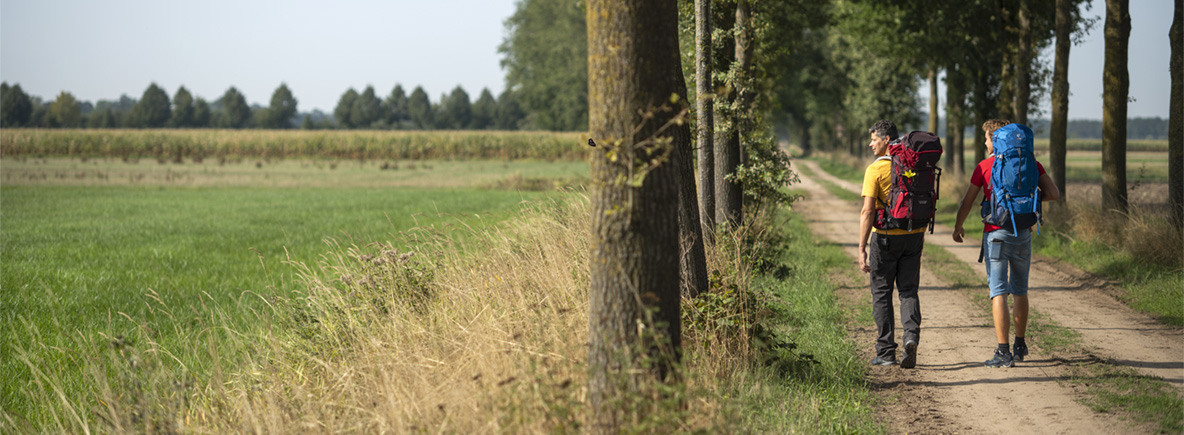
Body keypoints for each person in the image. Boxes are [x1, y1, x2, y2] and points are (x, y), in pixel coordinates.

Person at [952, 119, 1060, 368]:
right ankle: (1020, 345)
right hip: (1023, 233)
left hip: (996, 235)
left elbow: (967, 201)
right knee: (1020, 289)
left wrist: (958, 226)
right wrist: (1028, 198)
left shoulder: (985, 166)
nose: (985, 142)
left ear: (996, 139)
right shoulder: (1032, 163)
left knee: (998, 290)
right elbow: (1053, 194)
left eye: (987, 138)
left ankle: (1003, 352)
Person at [859, 120, 924, 369]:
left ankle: (886, 352)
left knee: (882, 293)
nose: (870, 143)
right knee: (908, 290)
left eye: (874, 139)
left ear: (887, 140)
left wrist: (861, 247)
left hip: (885, 236)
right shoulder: (913, 164)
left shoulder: (875, 170)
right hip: (913, 233)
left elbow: (867, 212)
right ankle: (910, 337)